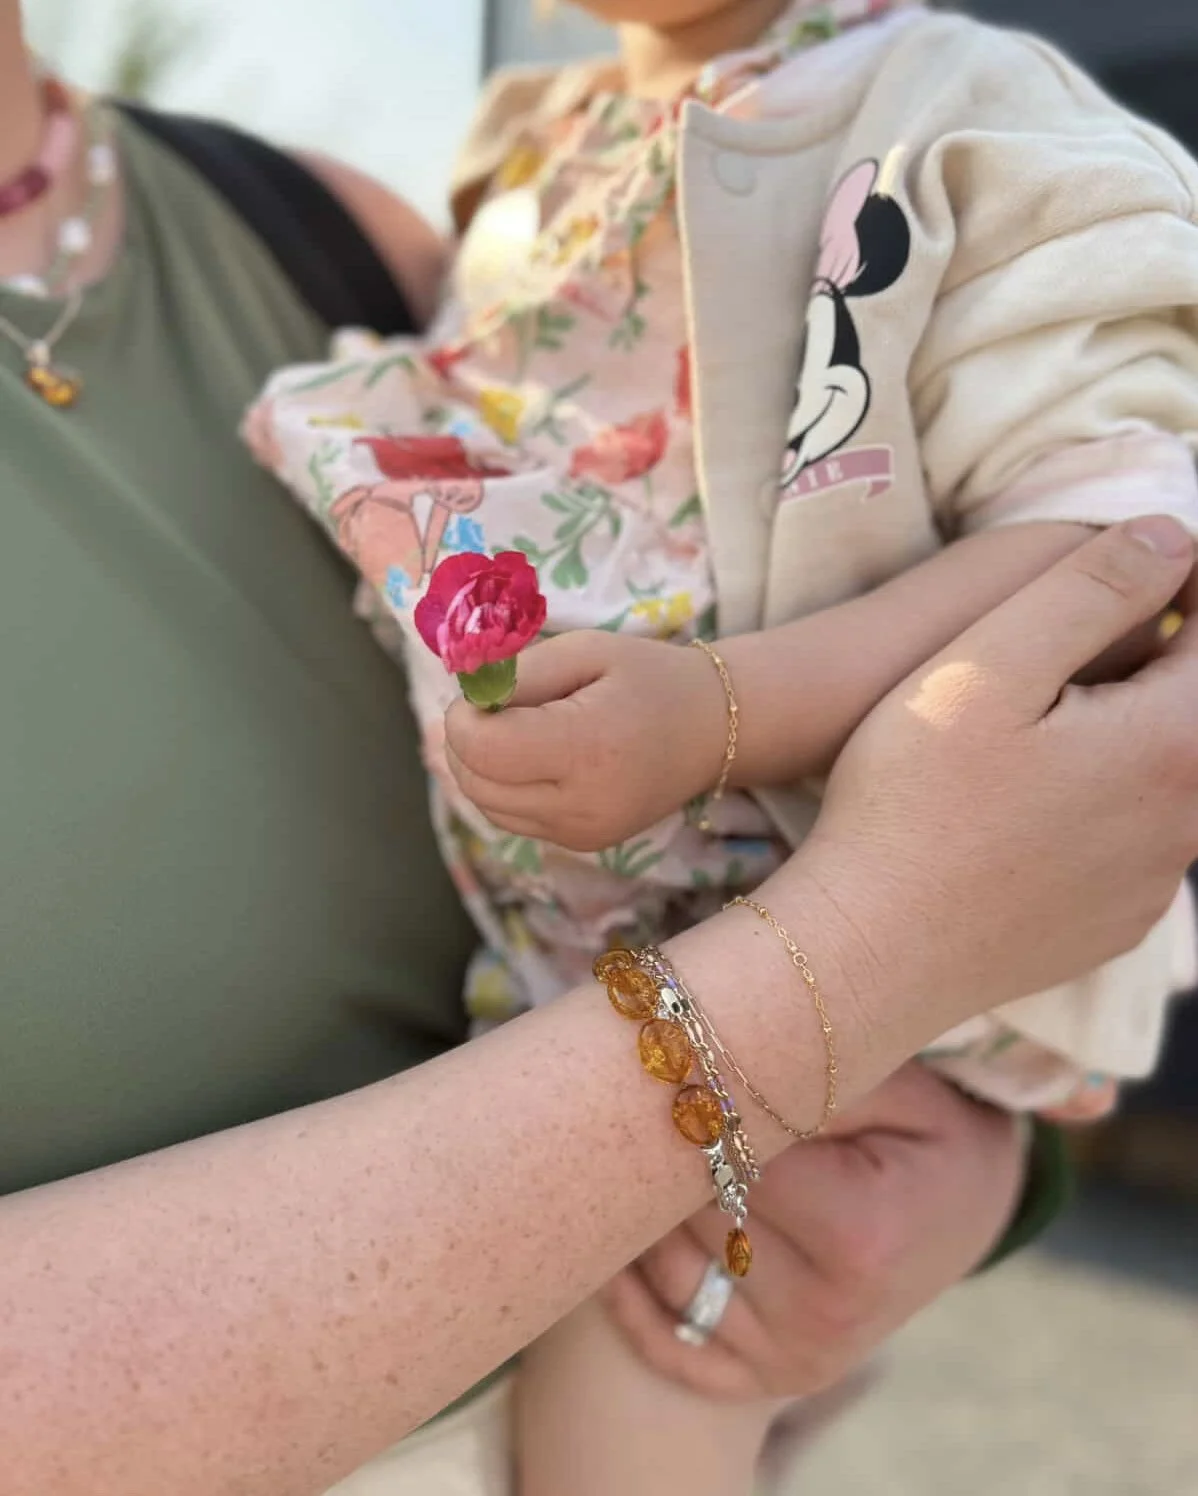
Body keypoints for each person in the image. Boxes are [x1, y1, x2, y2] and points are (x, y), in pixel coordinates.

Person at [1, 12, 1196, 1496]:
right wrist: (833, 978)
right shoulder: (526, 168)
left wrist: (951, 1151)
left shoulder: (331, 232)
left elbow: (1114, 543)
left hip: (668, 1150)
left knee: (662, 1373)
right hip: (650, 1066)